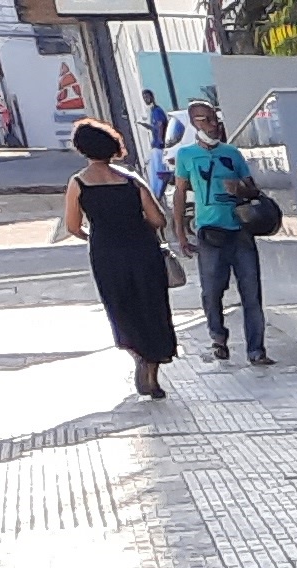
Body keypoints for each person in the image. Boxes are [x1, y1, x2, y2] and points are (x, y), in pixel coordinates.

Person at [56, 118, 177, 399]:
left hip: (107, 255)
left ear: (82, 149)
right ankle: (153, 373)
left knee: (122, 308)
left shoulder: (79, 183)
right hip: (144, 252)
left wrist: (96, 238)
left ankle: (138, 355)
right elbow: (158, 219)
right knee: (152, 307)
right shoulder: (131, 181)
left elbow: (73, 227)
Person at [167, 97, 270, 366]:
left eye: (215, 119)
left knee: (251, 292)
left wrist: (241, 189)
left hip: (240, 230)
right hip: (210, 231)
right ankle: (218, 337)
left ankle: (256, 350)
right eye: (206, 120)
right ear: (194, 123)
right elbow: (180, 193)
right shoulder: (186, 155)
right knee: (212, 291)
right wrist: (179, 232)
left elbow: (253, 189)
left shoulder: (232, 153)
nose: (213, 125)